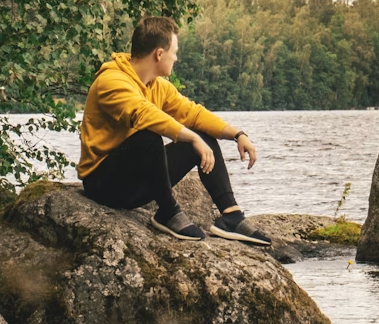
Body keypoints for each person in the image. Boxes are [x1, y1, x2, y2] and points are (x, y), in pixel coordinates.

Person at [78, 16, 273, 245]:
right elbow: (144, 114)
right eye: (175, 52)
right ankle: (167, 212)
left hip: (135, 184)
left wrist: (237, 134)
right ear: (159, 54)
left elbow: (193, 114)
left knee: (203, 136)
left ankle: (231, 216)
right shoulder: (111, 81)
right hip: (103, 184)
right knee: (148, 137)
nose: (176, 58)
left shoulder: (158, 86)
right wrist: (190, 137)